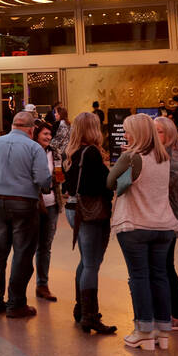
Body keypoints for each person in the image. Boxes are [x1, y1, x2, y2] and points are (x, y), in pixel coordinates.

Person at [108, 113, 178, 351]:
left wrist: (124, 165)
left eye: (128, 130)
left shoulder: (131, 156)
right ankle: (163, 330)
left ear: (136, 133)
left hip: (136, 223)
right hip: (164, 224)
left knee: (139, 277)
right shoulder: (164, 157)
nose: (125, 134)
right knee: (159, 276)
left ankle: (144, 331)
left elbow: (111, 182)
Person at [0, 110, 51, 318]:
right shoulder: (34, 147)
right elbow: (44, 180)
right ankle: (16, 303)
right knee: (23, 253)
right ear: (31, 129)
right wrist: (42, 189)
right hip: (24, 203)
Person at [63, 112, 116, 335]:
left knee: (86, 260)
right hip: (90, 212)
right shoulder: (92, 153)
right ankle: (90, 315)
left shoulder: (72, 153)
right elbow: (99, 186)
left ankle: (81, 308)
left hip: (73, 209)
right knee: (92, 263)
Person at [154, 116, 178, 332]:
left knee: (165, 267)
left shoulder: (172, 158)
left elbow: (177, 192)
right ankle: (173, 313)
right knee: (165, 266)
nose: (154, 135)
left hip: (168, 218)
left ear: (168, 134)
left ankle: (177, 315)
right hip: (161, 217)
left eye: (158, 131)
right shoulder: (161, 155)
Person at [32, 122, 62, 303]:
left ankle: (42, 284)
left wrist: (58, 177)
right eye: (44, 133)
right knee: (28, 246)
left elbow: (59, 174)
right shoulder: (31, 151)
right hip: (34, 205)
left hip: (52, 204)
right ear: (36, 134)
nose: (48, 137)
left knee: (45, 246)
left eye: (50, 134)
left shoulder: (55, 152)